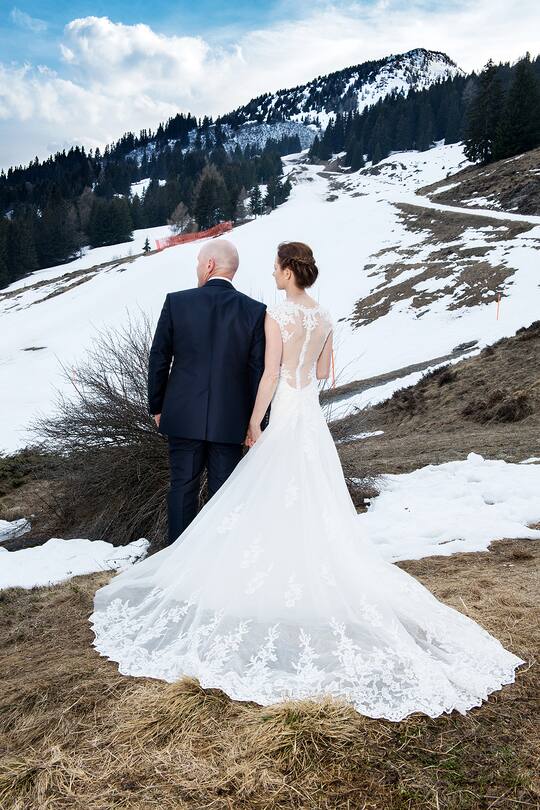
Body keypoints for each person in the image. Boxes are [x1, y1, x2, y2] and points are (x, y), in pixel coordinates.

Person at [90, 240, 526, 722]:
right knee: (268, 496)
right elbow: (315, 371)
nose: (272, 273)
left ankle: (190, 570)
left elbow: (237, 370)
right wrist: (255, 413)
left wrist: (214, 413)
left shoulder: (240, 310)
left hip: (232, 414)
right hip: (299, 419)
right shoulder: (297, 313)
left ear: (283, 271)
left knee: (204, 491)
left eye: (275, 267)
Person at [147, 238, 267, 544]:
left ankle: (177, 559)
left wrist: (157, 407)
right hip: (231, 421)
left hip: (183, 415)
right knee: (225, 495)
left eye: (199, 263)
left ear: (210, 265)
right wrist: (255, 423)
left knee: (182, 489)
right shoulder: (255, 311)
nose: (198, 268)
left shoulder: (177, 302)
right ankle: (218, 561)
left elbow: (159, 358)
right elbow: (258, 372)